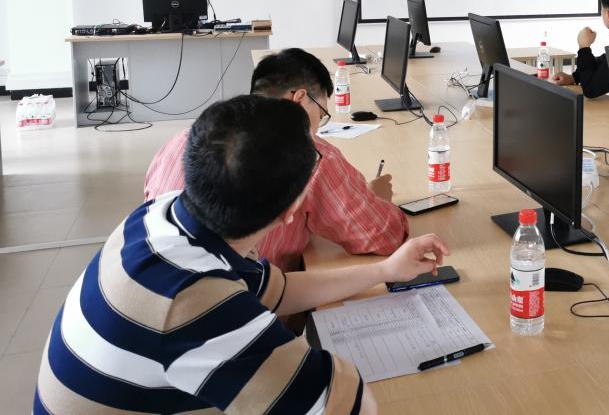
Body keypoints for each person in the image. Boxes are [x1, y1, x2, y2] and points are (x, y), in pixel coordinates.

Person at [34, 95, 450, 414]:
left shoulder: (163, 216)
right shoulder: (194, 302)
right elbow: (344, 406)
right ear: (291, 211)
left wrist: (385, 269)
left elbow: (280, 290)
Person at [145, 48, 409, 271]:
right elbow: (384, 236)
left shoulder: (182, 139)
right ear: (300, 99)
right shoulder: (311, 157)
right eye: (322, 114)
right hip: (252, 303)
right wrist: (373, 199)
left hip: (162, 280)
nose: (319, 127)